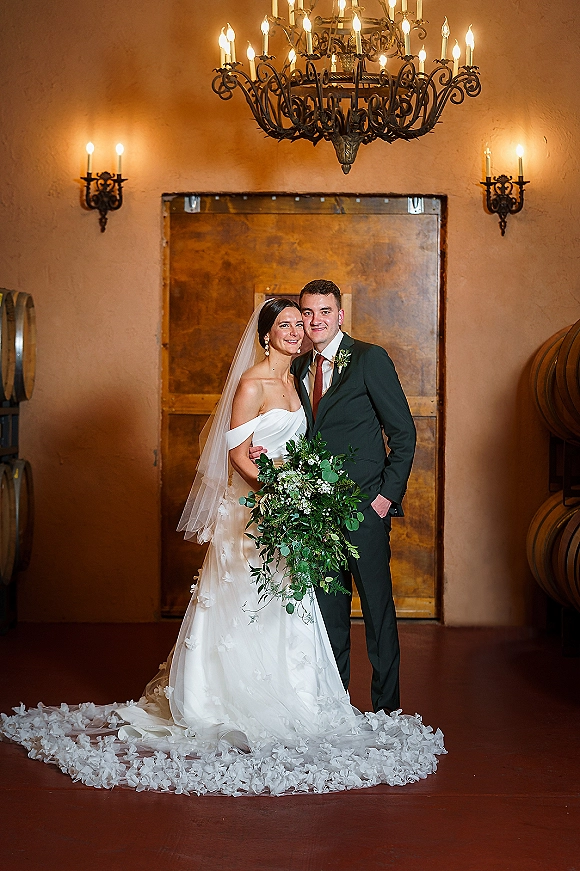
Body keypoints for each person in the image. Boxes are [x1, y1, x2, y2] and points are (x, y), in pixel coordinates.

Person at [0, 299, 443, 796]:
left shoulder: (312, 374)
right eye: (290, 322)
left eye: (305, 321)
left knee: (338, 608)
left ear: (337, 316)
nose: (300, 329)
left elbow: (375, 434)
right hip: (263, 511)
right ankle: (251, 700)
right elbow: (236, 454)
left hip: (321, 509)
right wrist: (278, 491)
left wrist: (359, 496)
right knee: (280, 607)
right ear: (266, 334)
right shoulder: (255, 381)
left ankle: (356, 705)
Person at [252, 280, 416, 714]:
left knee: (377, 613)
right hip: (318, 516)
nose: (315, 320)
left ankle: (387, 710)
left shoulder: (369, 358)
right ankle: (335, 708)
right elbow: (294, 431)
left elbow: (403, 433)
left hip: (365, 509)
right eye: (307, 312)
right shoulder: (299, 368)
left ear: (340, 316)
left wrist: (385, 498)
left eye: (325, 311)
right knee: (329, 619)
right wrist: (261, 453)